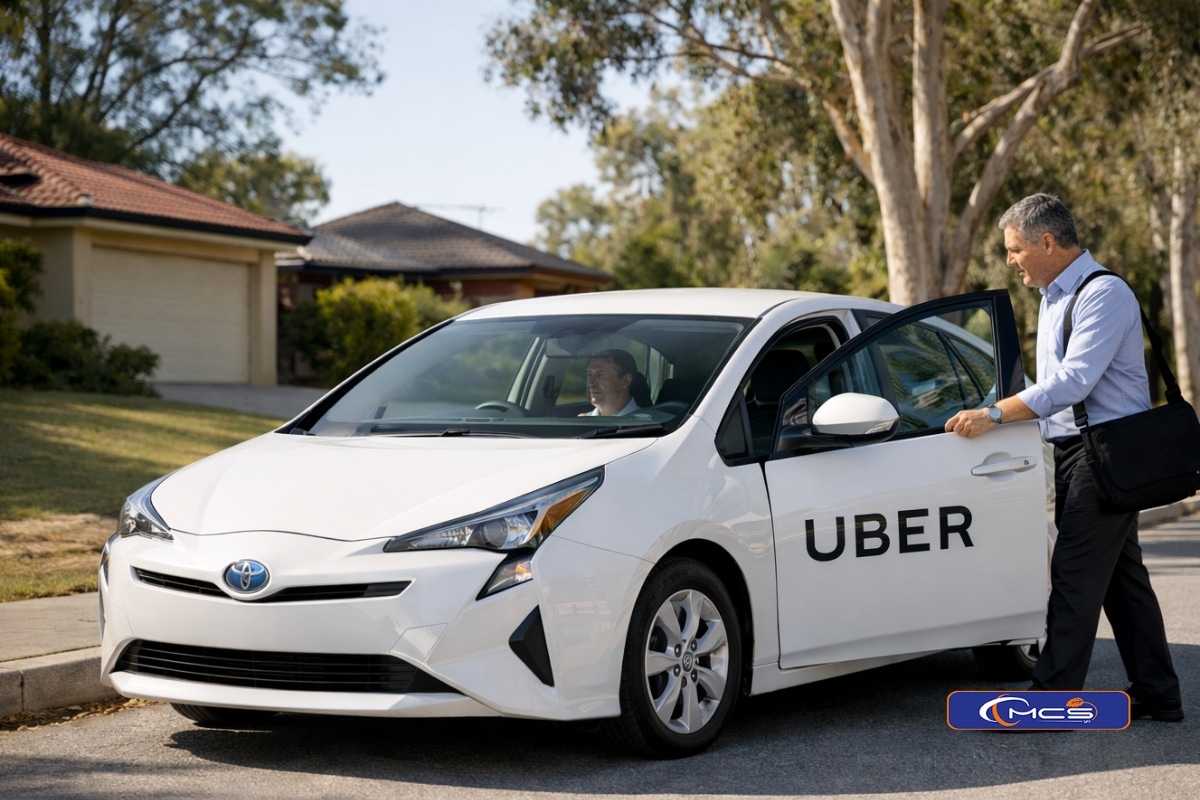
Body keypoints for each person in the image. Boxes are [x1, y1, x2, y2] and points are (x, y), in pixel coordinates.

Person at [944, 193, 1183, 721]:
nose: (1011, 261)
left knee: (1073, 578)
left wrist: (997, 415)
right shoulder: (1054, 297)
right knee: (1123, 583)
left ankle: (1048, 699)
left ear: (1047, 242)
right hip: (1078, 451)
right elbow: (1047, 385)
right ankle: (1160, 694)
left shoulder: (1103, 293)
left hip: (1107, 453)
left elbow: (1074, 382)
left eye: (1015, 250)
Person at [583, 349, 642, 416]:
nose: (590, 383)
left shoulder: (648, 424)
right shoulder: (582, 422)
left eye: (600, 375)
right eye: (589, 374)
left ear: (625, 381)